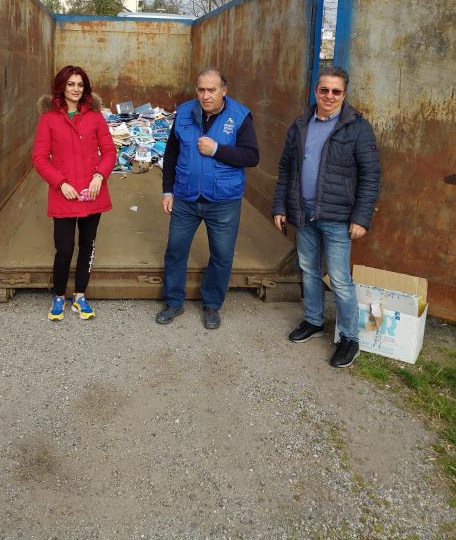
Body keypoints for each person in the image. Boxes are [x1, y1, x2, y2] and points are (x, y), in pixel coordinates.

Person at [272, 66, 381, 368]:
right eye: (324, 90)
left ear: (344, 95)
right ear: (315, 91)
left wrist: (361, 218)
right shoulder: (299, 125)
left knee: (339, 280)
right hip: (304, 214)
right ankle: (314, 320)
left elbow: (371, 176)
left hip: (337, 217)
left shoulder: (357, 128)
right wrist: (280, 207)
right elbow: (286, 170)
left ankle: (349, 338)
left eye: (336, 91)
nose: (329, 96)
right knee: (308, 271)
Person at [156, 69, 259, 329]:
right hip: (186, 197)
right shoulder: (184, 113)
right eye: (201, 90)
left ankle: (212, 305)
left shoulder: (240, 117)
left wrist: (217, 150)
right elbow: (170, 155)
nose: (205, 95)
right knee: (176, 251)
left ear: (224, 90)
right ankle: (173, 302)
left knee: (222, 255)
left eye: (211, 90)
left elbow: (251, 156)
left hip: (223, 201)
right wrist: (167, 190)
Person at [32, 65, 116, 321]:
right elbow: (39, 158)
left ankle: (80, 295)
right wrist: (60, 183)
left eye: (80, 84)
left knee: (87, 246)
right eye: (71, 84)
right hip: (64, 194)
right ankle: (59, 296)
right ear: (62, 87)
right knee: (64, 249)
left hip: (92, 193)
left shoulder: (95, 117)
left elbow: (110, 151)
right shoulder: (49, 119)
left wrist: (99, 176)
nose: (76, 89)